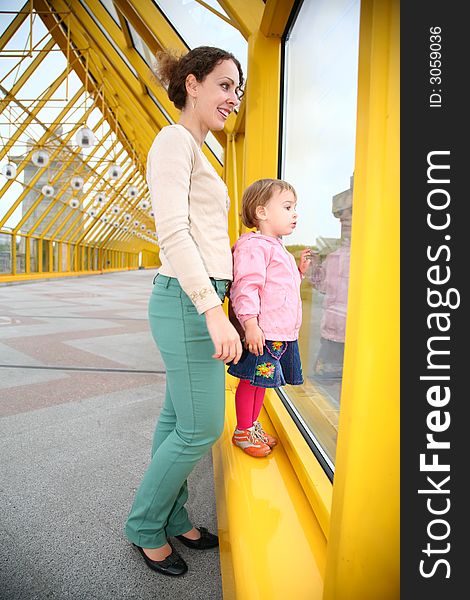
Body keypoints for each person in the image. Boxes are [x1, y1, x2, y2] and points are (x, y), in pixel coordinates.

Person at [124, 46, 244, 577]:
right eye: (225, 85)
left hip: (193, 298)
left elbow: (206, 235)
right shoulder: (174, 142)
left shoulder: (195, 148)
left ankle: (173, 517)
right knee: (201, 429)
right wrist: (213, 311)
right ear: (192, 84)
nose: (233, 99)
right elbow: (174, 233)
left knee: (177, 419)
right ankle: (146, 526)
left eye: (237, 90)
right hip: (187, 300)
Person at [227, 179, 311, 457]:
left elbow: (280, 290)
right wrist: (250, 324)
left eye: (294, 207)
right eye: (287, 207)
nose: (294, 213)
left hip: (278, 333)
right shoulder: (254, 246)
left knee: (262, 382)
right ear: (262, 212)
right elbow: (246, 287)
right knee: (251, 381)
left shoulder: (277, 248)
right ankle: (242, 431)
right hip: (263, 331)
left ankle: (251, 425)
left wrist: (298, 271)